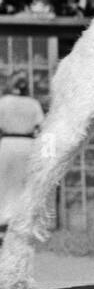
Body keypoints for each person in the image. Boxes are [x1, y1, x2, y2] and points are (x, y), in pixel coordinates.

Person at [0, 74, 43, 232]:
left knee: (4, 183)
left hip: (7, 144)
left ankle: (4, 221)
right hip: (27, 145)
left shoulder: (3, 102)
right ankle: (22, 220)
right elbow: (42, 127)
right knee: (25, 183)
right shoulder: (33, 104)